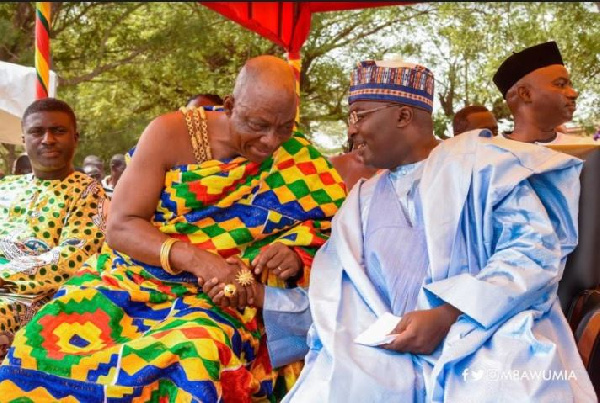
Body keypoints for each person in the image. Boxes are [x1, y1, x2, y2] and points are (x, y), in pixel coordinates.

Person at [0, 56, 346, 401]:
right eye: (257, 124)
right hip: (130, 278)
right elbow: (120, 226)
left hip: (220, 301)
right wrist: (197, 260)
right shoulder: (171, 133)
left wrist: (296, 255)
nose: (271, 141)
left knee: (199, 354)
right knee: (37, 341)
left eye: (284, 127)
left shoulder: (300, 158)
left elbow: (333, 232)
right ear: (230, 105)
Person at [283, 57, 595, 402]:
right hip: (383, 355)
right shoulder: (358, 203)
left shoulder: (483, 163)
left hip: (482, 336)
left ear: (403, 116)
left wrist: (448, 314)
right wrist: (261, 296)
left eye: (360, 114)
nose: (351, 129)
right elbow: (336, 300)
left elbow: (533, 252)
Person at [0, 98, 107, 357]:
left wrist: (5, 280)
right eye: (37, 132)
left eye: (58, 131)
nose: (48, 139)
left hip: (34, 297)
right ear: (24, 140)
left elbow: (72, 259)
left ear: (75, 138)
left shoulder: (89, 192)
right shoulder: (7, 186)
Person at [494, 41, 596, 146]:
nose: (573, 94)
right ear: (526, 94)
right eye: (560, 84)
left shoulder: (587, 151)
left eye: (570, 85)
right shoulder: (487, 155)